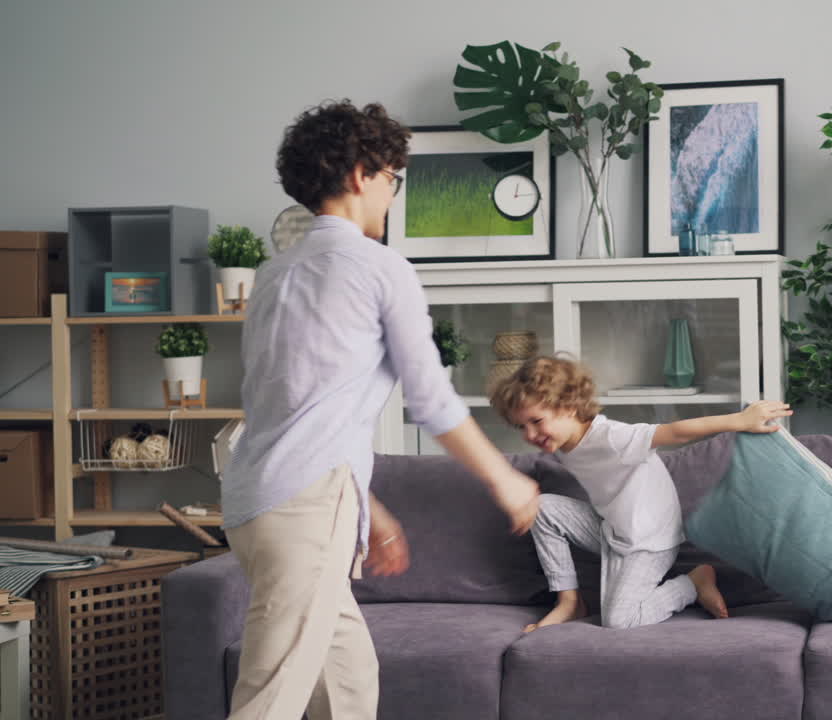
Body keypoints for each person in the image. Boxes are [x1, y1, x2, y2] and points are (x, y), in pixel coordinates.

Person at [220, 99, 540, 720]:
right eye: (394, 178)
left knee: (348, 680)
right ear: (363, 173)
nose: (393, 194)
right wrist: (505, 478)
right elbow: (431, 397)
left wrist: (370, 508)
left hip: (259, 501)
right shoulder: (377, 266)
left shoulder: (275, 274)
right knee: (270, 700)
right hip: (305, 507)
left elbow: (297, 408)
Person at [488, 355, 791, 632]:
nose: (529, 435)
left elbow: (675, 431)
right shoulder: (564, 445)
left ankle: (693, 582)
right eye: (521, 427)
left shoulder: (613, 438)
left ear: (568, 406)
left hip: (649, 540)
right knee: (540, 507)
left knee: (620, 621)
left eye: (537, 421)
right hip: (612, 530)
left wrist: (738, 420)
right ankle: (569, 603)